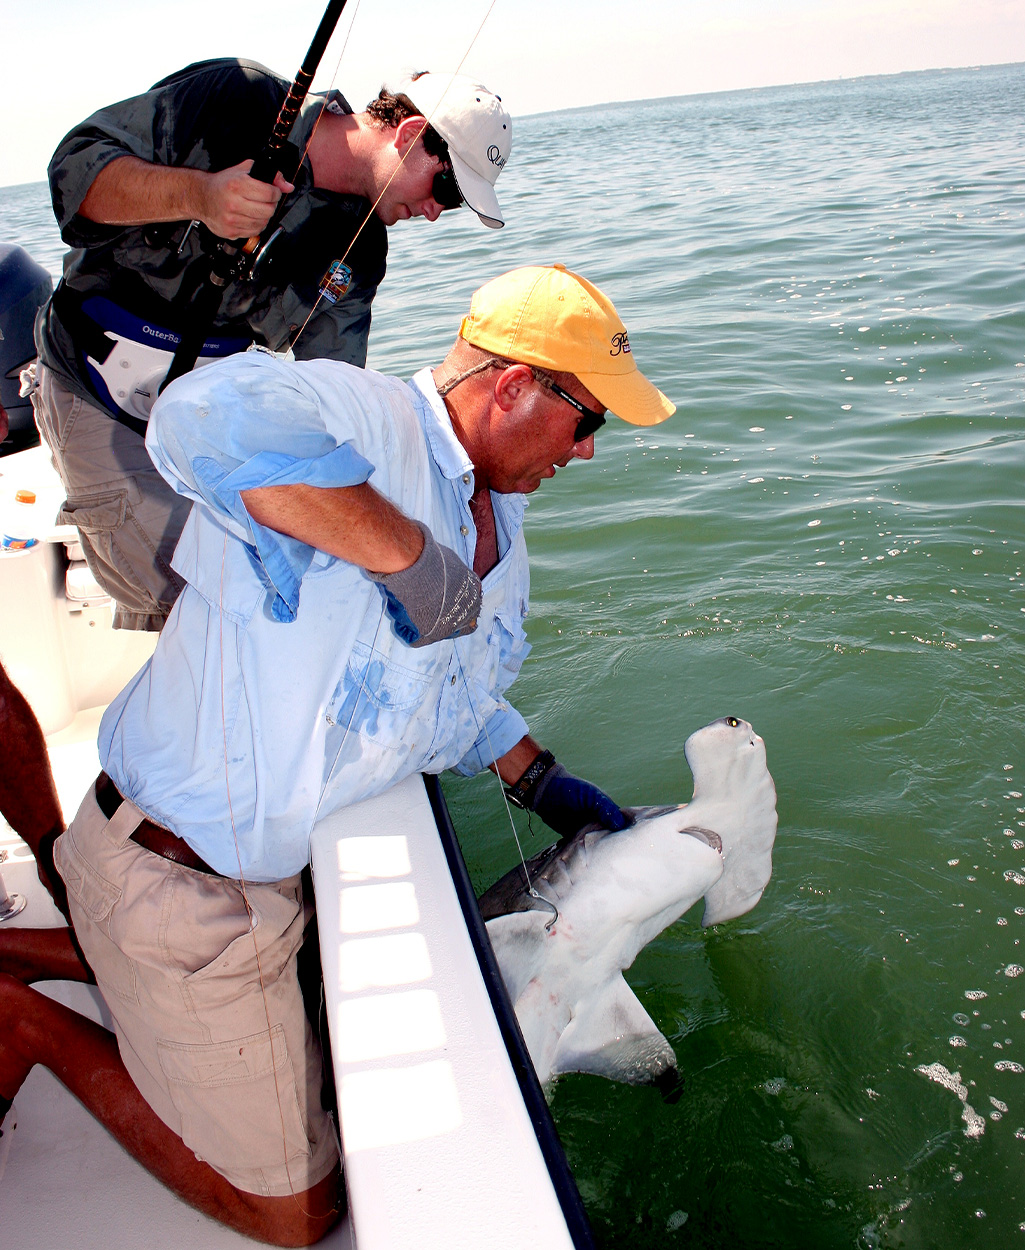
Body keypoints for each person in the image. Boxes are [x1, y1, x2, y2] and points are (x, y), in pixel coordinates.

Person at [0, 263, 675, 1244]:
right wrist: (403, 551)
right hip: (184, 882)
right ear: (513, 384)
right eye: (588, 421)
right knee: (303, 1207)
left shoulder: (504, 517)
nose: (586, 450)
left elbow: (450, 692)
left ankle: (65, 950)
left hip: (266, 874)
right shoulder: (360, 418)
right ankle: (20, 1021)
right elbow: (198, 419)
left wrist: (533, 774)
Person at [28, 59, 512, 630]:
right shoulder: (239, 97)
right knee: (189, 603)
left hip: (207, 421)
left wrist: (404, 540)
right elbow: (73, 175)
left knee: (267, 598)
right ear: (409, 137)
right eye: (447, 188)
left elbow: (335, 395)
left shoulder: (360, 252)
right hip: (97, 393)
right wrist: (200, 196)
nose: (435, 213)